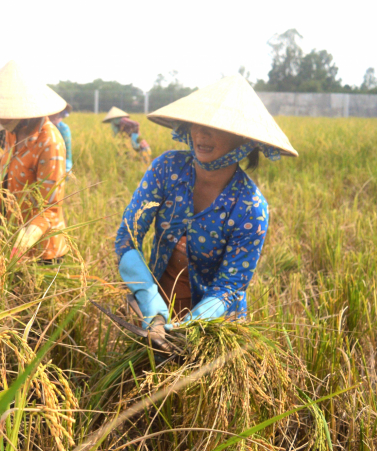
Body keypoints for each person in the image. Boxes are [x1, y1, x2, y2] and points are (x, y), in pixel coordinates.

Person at [115, 75, 298, 329]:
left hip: (214, 324)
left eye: (218, 127)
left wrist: (189, 329)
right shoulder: (167, 169)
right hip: (157, 308)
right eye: (197, 123)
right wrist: (151, 305)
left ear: (242, 141)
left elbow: (229, 286)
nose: (202, 132)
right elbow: (128, 236)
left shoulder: (250, 208)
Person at [0, 60, 69, 262]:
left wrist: (24, 243)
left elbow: (50, 208)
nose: (0, 119)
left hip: (40, 251)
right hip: (11, 232)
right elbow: (9, 156)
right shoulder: (14, 131)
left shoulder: (49, 144)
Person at [48, 104, 73, 173]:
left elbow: (67, 153)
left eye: (61, 114)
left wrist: (67, 170)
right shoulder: (38, 128)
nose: (57, 117)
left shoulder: (63, 128)